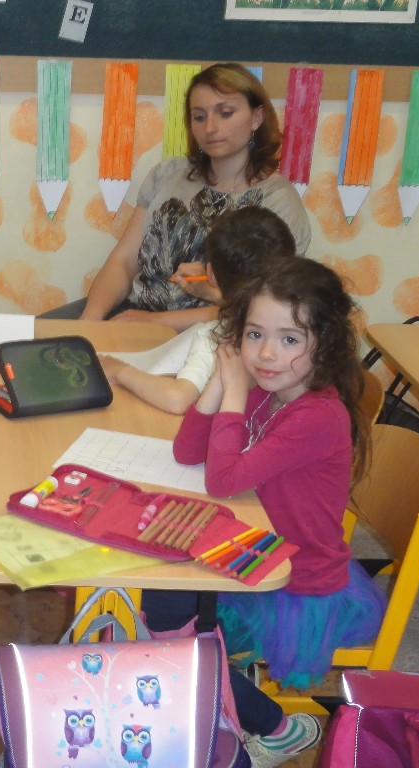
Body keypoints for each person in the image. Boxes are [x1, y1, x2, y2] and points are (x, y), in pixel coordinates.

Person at [145, 258, 384, 768]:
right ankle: (205, 688)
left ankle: (277, 728)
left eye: (289, 339)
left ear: (325, 344)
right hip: (257, 540)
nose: (267, 353)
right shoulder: (268, 390)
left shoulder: (317, 415)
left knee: (165, 616)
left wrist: (234, 391)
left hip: (294, 574)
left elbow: (223, 480)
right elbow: (188, 452)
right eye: (254, 335)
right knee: (158, 591)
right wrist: (219, 382)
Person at [44, 63, 310, 331]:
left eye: (225, 113)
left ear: (256, 118)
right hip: (134, 311)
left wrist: (155, 323)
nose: (211, 127)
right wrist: (91, 319)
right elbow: (123, 261)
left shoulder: (278, 200)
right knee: (38, 337)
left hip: (208, 331)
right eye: (199, 116)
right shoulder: (167, 174)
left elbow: (264, 306)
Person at [99, 206, 296, 414]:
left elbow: (178, 399)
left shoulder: (220, 335)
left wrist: (119, 370)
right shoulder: (305, 323)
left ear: (211, 274)